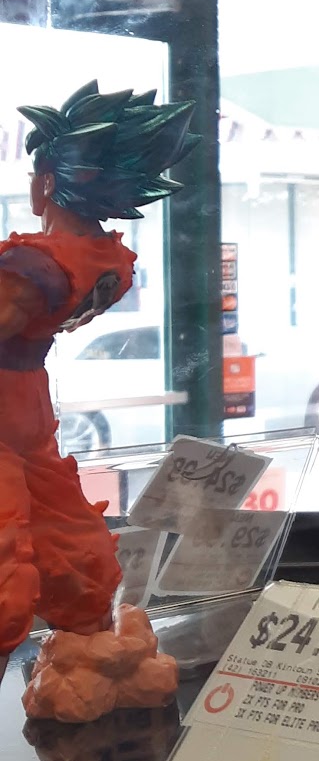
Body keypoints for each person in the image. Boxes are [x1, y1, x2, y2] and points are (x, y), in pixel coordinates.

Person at [0, 82, 195, 718]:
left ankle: (89, 655)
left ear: (46, 184)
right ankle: (90, 649)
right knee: (71, 552)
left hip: (15, 412)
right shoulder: (109, 262)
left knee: (46, 561)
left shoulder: (35, 265)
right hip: (27, 411)